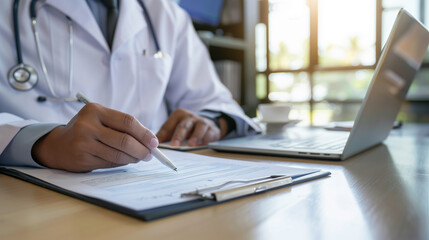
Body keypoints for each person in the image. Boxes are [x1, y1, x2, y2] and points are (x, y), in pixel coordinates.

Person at [0, 0, 259, 173]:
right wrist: (45, 143)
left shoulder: (165, 13)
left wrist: (210, 122)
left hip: (147, 188)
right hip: (34, 195)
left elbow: (215, 101)